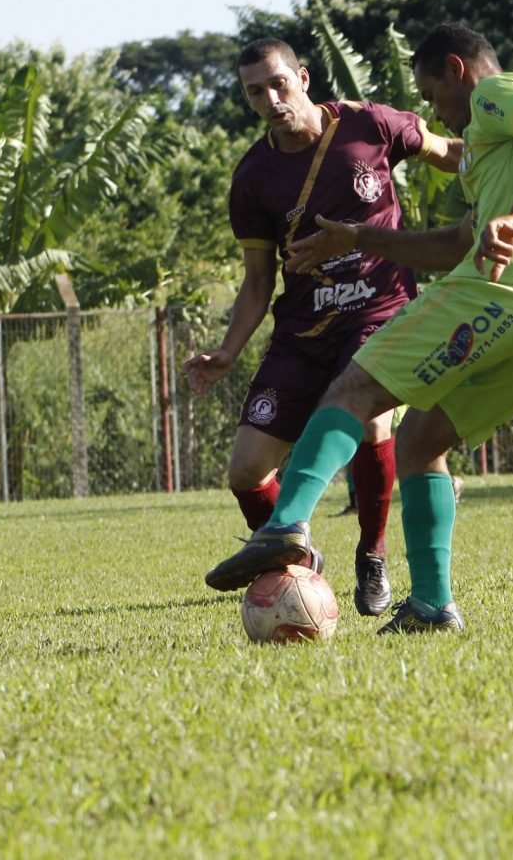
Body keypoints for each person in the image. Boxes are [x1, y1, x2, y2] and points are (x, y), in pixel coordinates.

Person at [201, 22, 513, 633]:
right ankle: (430, 606)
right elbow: (453, 244)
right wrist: (362, 236)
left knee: (352, 393)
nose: (438, 112)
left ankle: (287, 527)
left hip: (507, 288)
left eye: (437, 94)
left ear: (458, 70)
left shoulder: (497, 95)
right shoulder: (502, 156)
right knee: (420, 441)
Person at [182, 37, 461, 616]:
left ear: (303, 78)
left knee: (372, 423)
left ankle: (373, 555)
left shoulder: (371, 125)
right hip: (302, 330)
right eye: (254, 92)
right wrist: (229, 351)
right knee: (245, 471)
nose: (270, 98)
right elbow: (258, 280)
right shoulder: (254, 177)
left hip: (378, 310)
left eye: (278, 83)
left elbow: (450, 152)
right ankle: (296, 568)